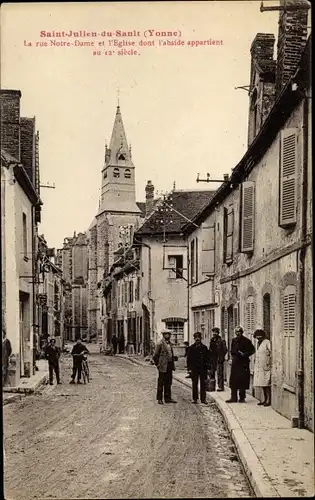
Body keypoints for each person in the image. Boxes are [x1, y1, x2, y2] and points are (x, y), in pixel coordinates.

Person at [227, 326, 255, 403]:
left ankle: (242, 398)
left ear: (242, 332)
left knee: (242, 381)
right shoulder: (234, 340)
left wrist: (245, 354)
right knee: (233, 381)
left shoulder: (247, 341)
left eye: (239, 332)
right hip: (235, 363)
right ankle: (233, 397)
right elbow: (232, 351)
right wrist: (233, 357)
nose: (237, 333)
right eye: (236, 332)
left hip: (243, 363)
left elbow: (252, 350)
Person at [153, 329, 177, 404]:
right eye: (167, 334)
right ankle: (159, 398)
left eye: (169, 334)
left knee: (169, 382)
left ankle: (168, 398)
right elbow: (155, 356)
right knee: (161, 382)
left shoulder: (170, 343)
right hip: (162, 366)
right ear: (163, 335)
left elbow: (171, 354)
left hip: (169, 365)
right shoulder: (159, 343)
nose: (169, 336)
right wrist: (158, 365)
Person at [187, 332, 210, 405]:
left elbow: (207, 358)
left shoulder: (205, 348)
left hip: (203, 369)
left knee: (203, 384)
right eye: (196, 337)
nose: (197, 339)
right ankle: (195, 398)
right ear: (194, 339)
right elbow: (189, 359)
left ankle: (203, 399)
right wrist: (189, 369)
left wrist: (208, 368)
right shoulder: (191, 348)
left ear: (201, 338)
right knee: (194, 384)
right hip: (194, 369)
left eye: (199, 337)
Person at [253, 329, 271, 406]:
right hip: (259, 365)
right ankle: (264, 399)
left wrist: (268, 362)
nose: (258, 339)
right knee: (262, 384)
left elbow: (271, 353)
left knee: (266, 384)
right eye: (257, 338)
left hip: (266, 365)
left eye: (260, 338)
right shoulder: (258, 343)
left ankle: (268, 400)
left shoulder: (267, 342)